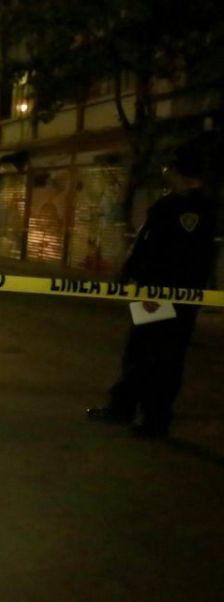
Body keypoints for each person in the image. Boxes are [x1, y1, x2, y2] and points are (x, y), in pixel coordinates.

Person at [86, 143, 216, 438]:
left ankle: (155, 419)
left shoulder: (192, 210)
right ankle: (124, 406)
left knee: (163, 358)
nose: (164, 172)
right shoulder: (171, 204)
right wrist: (130, 273)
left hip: (168, 297)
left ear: (181, 172)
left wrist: (155, 284)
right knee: (140, 350)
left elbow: (182, 258)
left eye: (169, 168)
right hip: (154, 294)